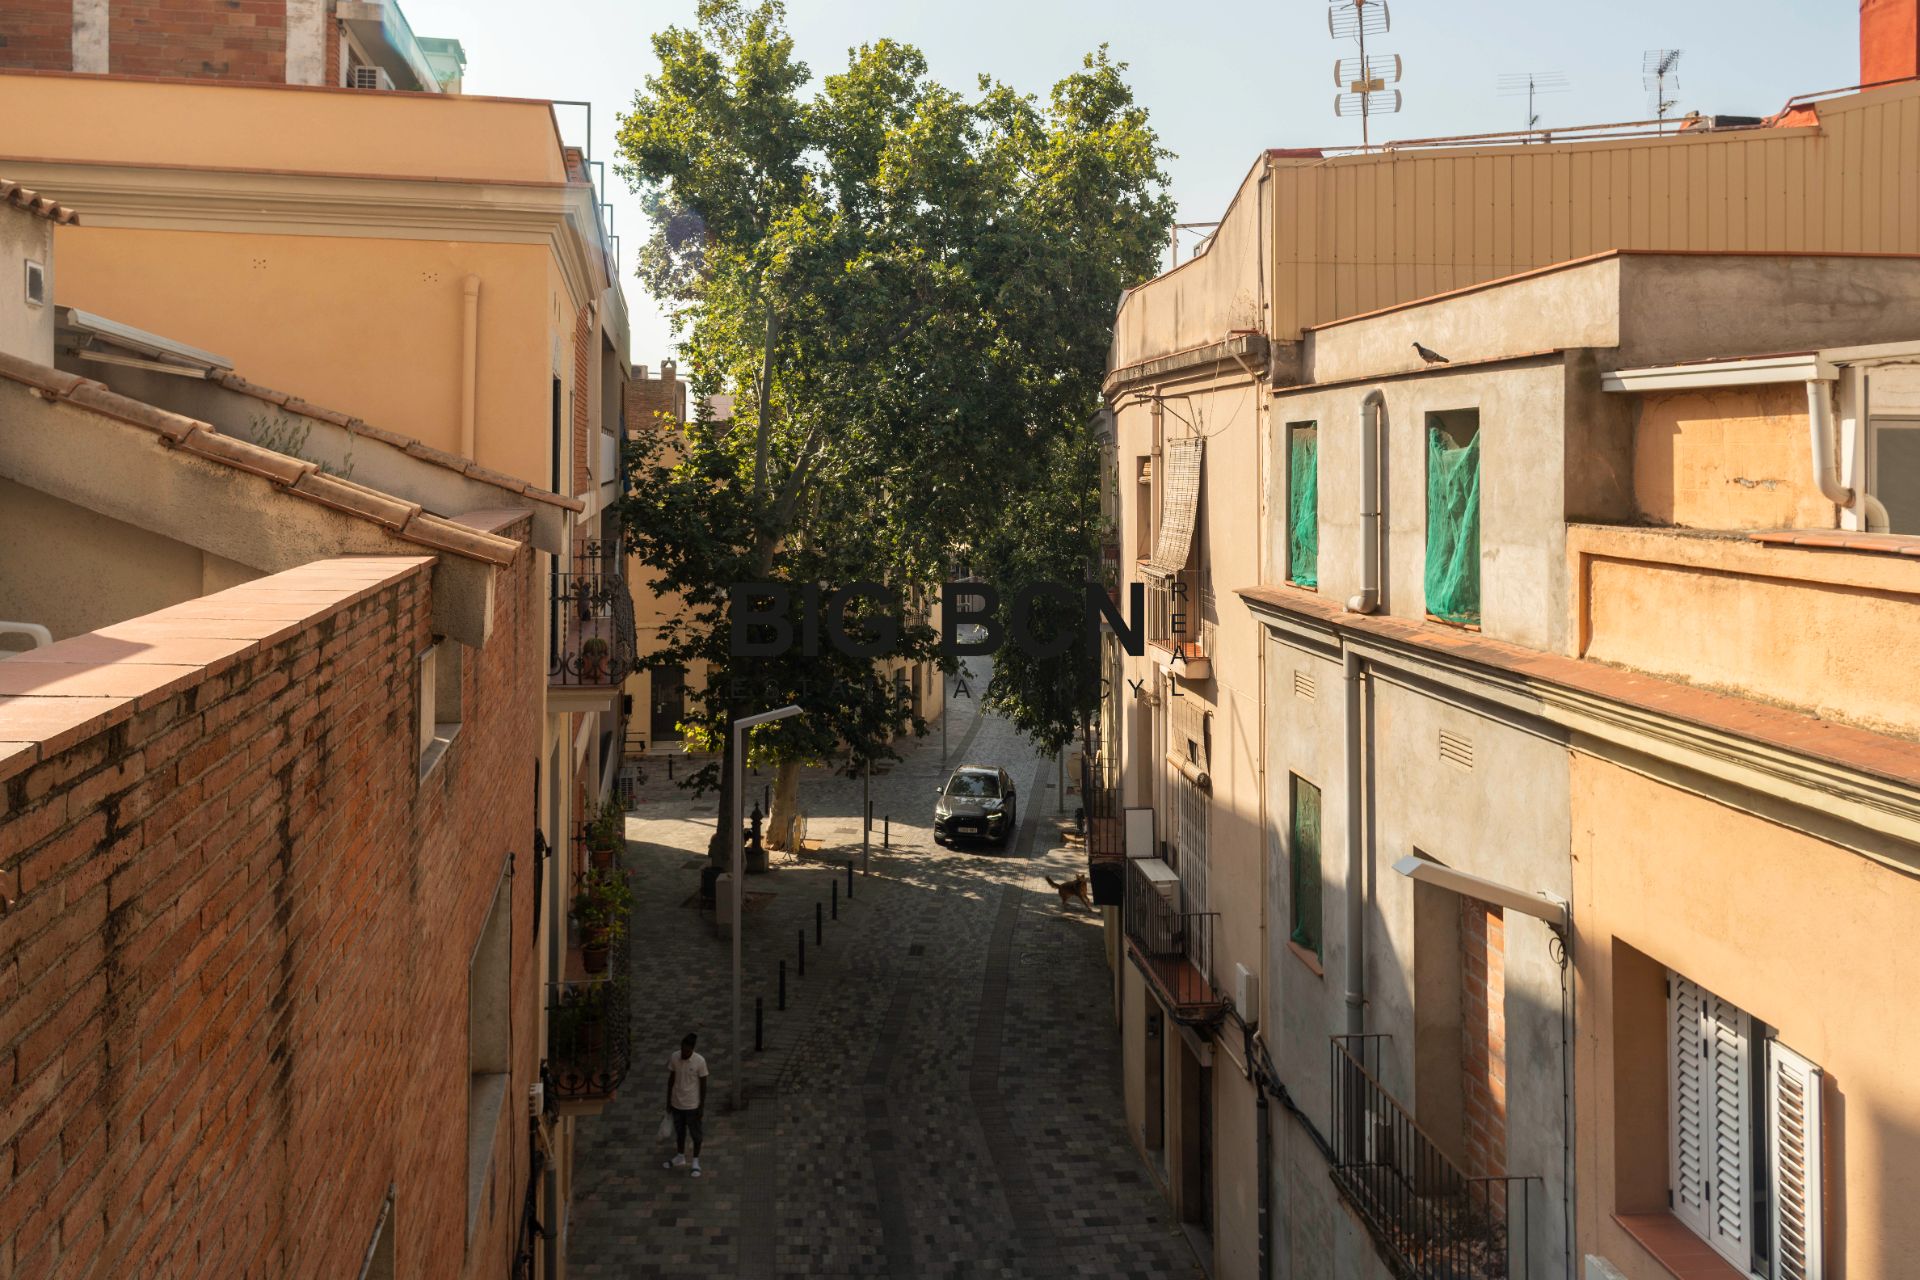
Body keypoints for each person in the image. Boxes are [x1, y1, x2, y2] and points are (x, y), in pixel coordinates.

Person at [663, 1032, 709, 1176]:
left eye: (687, 1051)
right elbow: (671, 1080)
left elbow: (703, 1085)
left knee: (696, 1135)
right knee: (680, 1132)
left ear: (692, 1049)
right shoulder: (675, 1057)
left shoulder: (700, 1061)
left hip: (692, 1105)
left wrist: (701, 1106)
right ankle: (680, 1156)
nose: (684, 1053)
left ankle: (695, 1161)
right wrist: (668, 1101)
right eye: (682, 1049)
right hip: (677, 1103)